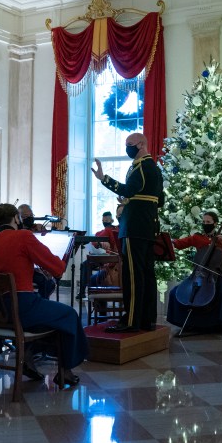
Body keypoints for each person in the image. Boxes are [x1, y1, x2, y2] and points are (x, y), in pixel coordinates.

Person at [0, 203, 87, 386]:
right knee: (68, 314)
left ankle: (29, 357)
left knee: (51, 316)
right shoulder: (23, 236)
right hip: (22, 306)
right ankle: (66, 370)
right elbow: (57, 267)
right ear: (16, 218)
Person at [91, 132, 163, 333]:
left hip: (134, 227)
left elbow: (130, 190)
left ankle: (131, 320)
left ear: (141, 144)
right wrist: (132, 201)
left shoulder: (142, 166)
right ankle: (146, 319)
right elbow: (159, 199)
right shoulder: (154, 168)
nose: (127, 148)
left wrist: (103, 178)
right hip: (147, 226)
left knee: (132, 275)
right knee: (146, 274)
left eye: (129, 144)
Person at [166, 211, 222, 334]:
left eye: (208, 222)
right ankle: (185, 322)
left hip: (217, 276)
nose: (205, 224)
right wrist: (170, 241)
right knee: (174, 292)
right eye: (203, 222)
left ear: (215, 224)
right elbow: (180, 244)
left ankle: (220, 324)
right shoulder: (197, 237)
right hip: (198, 275)